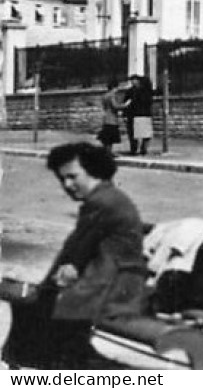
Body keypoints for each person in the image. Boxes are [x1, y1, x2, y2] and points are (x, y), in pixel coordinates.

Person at [2, 142, 147, 369]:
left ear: (94, 170)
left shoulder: (103, 203)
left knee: (34, 307)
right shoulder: (108, 197)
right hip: (112, 280)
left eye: (73, 176)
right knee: (37, 307)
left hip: (114, 286)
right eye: (62, 179)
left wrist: (49, 286)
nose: (67, 185)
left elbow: (75, 251)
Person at [122, 76, 154, 156]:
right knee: (138, 134)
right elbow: (126, 103)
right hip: (138, 114)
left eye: (135, 80)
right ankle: (138, 149)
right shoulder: (132, 91)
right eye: (132, 80)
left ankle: (139, 149)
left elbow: (128, 103)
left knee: (139, 134)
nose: (133, 82)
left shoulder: (142, 91)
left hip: (139, 114)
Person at [95, 81, 124, 151]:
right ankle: (108, 152)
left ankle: (106, 152)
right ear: (114, 88)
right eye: (117, 88)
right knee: (110, 138)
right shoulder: (112, 95)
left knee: (106, 138)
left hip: (106, 117)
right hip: (112, 118)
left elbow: (105, 106)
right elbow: (115, 106)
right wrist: (124, 105)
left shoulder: (105, 95)